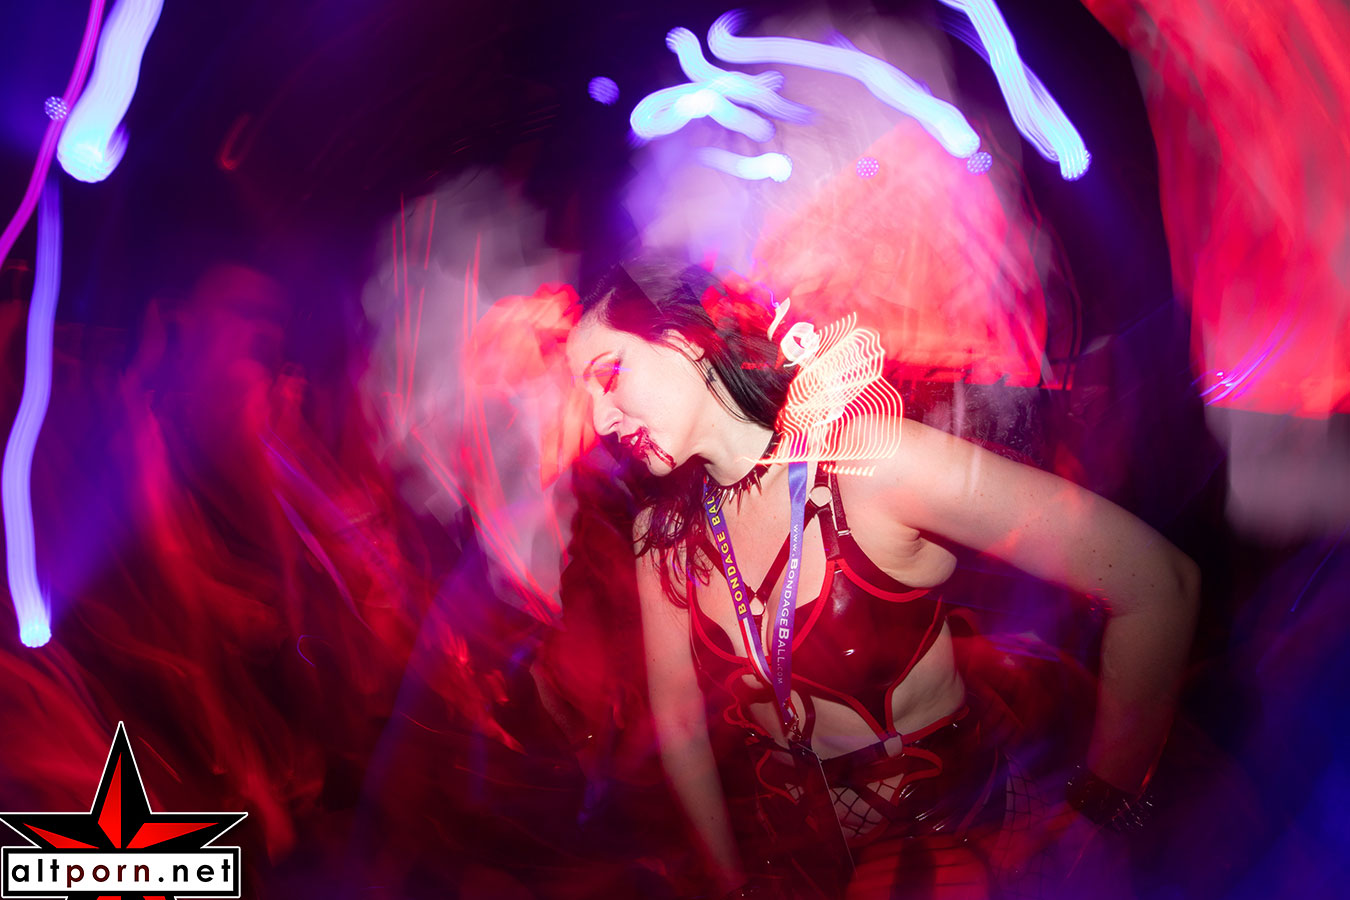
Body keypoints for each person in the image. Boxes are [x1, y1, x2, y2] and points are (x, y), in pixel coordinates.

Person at [563, 260, 1200, 899]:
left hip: (958, 840)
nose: (600, 419)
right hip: (796, 867)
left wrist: (1101, 810)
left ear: (686, 339)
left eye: (608, 374)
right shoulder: (663, 535)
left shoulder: (869, 462)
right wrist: (731, 885)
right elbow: (679, 725)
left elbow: (1157, 585)